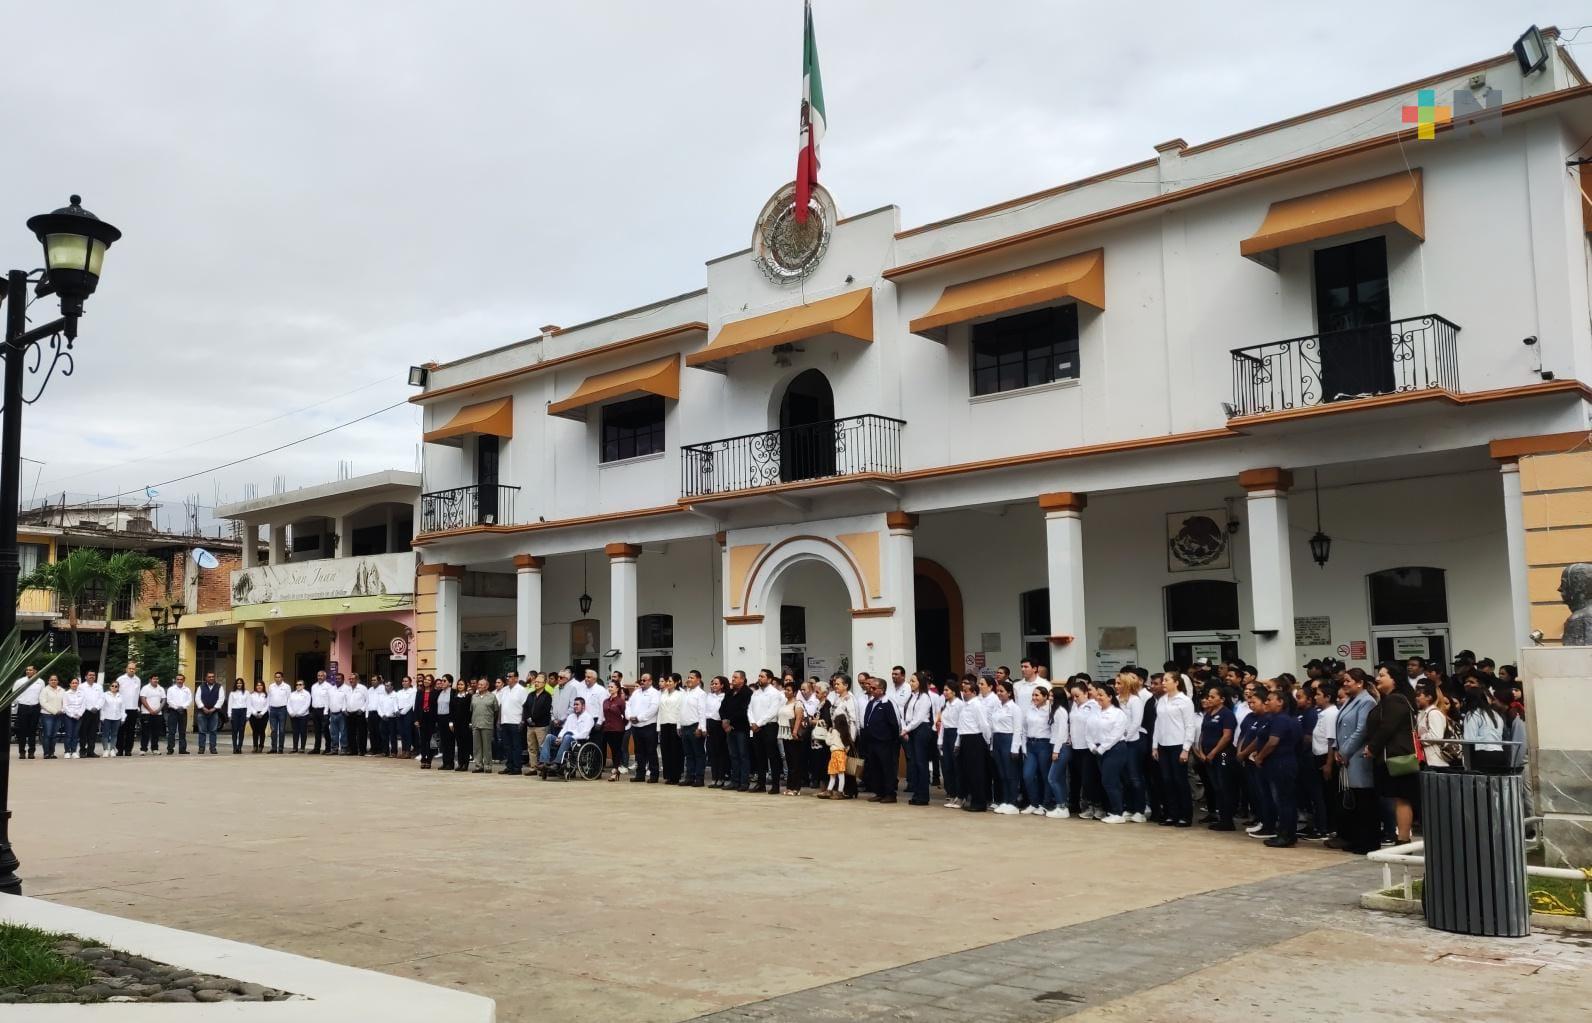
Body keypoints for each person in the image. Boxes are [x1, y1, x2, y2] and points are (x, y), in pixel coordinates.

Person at [1366, 664, 1418, 845]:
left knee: (1402, 798)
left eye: (1382, 675)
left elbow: (1387, 727)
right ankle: (1401, 837)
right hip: (1394, 756)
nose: (1377, 678)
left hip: (1398, 757)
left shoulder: (1396, 700)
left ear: (1394, 678)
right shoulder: (1390, 699)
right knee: (1398, 798)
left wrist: (1372, 747)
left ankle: (1403, 839)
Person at [1332, 669, 1380, 854]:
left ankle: (1368, 841)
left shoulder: (1366, 701)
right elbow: (1340, 728)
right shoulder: (1351, 700)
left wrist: (1344, 751)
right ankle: (1356, 838)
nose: (1345, 684)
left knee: (1364, 800)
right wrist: (1337, 749)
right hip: (1347, 755)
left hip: (1358, 756)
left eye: (1348, 681)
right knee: (1354, 801)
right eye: (1344, 681)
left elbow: (1361, 730)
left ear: (1359, 683)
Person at [1253, 687, 1301, 847]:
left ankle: (1285, 835)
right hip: (1280, 763)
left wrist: (1260, 756)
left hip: (1280, 763)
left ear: (1280, 702)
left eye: (1269, 700)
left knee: (1283, 800)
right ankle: (1288, 833)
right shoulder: (1277, 718)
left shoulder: (1281, 719)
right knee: (1285, 800)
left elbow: (1273, 742)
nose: (1266, 702)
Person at [1151, 671, 1197, 828]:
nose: (1163, 683)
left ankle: (1185, 815)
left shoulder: (1184, 701)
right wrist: (1155, 745)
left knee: (1179, 781)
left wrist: (1186, 748)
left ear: (1176, 682)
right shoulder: (1162, 700)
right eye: (1163, 680)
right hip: (1163, 745)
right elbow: (1158, 724)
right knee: (1167, 781)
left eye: (1166, 680)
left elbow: (1190, 726)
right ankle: (1172, 814)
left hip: (1178, 745)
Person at [1194, 684, 1237, 831]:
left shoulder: (1227, 714)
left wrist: (1213, 752)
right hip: (1207, 756)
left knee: (1224, 786)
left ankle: (1227, 820)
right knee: (1216, 787)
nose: (1209, 699)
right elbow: (1203, 734)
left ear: (1222, 699)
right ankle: (1221, 817)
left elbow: (1227, 736)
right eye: (1208, 697)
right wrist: (1201, 751)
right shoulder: (1209, 713)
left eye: (1213, 697)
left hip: (1223, 754)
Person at [1088, 682, 1130, 824]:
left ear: (1110, 697)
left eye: (1101, 695)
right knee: (1108, 782)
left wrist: (1102, 748)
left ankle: (1118, 812)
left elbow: (1115, 735)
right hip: (1099, 750)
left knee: (1110, 781)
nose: (1098, 697)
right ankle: (1113, 810)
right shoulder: (1096, 712)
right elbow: (1089, 730)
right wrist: (1092, 745)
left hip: (1115, 749)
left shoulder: (1118, 713)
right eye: (1097, 695)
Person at [861, 676, 901, 804]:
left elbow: (895, 723)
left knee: (887, 768)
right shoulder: (871, 702)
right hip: (871, 741)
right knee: (875, 768)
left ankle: (890, 794)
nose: (870, 689)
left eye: (873, 688)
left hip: (884, 742)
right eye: (870, 687)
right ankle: (879, 792)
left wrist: (891, 739)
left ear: (882, 689)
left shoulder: (888, 703)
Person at [954, 676, 992, 812]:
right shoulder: (965, 705)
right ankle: (973, 799)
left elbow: (984, 724)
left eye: (966, 691)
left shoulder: (977, 705)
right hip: (965, 738)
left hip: (975, 739)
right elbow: (962, 725)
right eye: (963, 691)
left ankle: (979, 802)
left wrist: (986, 741)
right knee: (968, 771)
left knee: (976, 772)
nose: (964, 693)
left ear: (974, 692)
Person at [1016, 681, 1052, 815]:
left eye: (1037, 695)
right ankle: (1033, 803)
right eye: (1033, 695)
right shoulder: (1029, 709)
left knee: (1045, 776)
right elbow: (1024, 729)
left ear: (1045, 696)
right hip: (1030, 745)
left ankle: (1045, 804)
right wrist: (1024, 747)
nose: (1034, 697)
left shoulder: (1049, 710)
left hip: (1044, 744)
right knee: (1028, 775)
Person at [900, 673, 934, 805]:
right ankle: (917, 793)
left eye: (913, 681)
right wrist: (906, 728)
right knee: (914, 762)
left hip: (921, 729)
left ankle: (923, 795)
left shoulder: (924, 697)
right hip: (912, 729)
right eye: (910, 681)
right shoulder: (912, 696)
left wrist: (906, 729)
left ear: (920, 682)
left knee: (921, 763)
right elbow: (906, 714)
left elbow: (919, 718)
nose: (910, 683)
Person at [538, 698, 593, 777]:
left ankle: (557, 764)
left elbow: (584, 734)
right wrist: (560, 737)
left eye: (577, 704)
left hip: (578, 742)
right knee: (549, 737)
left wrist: (567, 738)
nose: (575, 706)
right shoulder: (571, 717)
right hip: (565, 739)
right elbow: (564, 729)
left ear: (583, 706)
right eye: (574, 704)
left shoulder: (588, 717)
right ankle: (544, 763)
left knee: (567, 737)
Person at [746, 669, 782, 793]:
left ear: (770, 679)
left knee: (772, 756)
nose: (759, 678)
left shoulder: (775, 693)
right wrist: (752, 722)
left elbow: (773, 711)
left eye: (762, 676)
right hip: (756, 728)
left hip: (769, 727)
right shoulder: (755, 693)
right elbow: (749, 709)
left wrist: (759, 723)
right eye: (759, 676)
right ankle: (761, 784)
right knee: (759, 756)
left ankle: (775, 785)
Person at [1066, 679, 1097, 817]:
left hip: (1087, 747)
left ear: (1086, 693)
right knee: (1076, 777)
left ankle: (1093, 805)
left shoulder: (1093, 705)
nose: (1075, 699)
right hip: (1075, 746)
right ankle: (1079, 805)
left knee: (1088, 778)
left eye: (1077, 696)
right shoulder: (1074, 705)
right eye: (1073, 696)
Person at [814, 696, 852, 799]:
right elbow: (847, 746)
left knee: (833, 774)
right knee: (841, 774)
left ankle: (831, 790)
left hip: (834, 754)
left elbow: (828, 742)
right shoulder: (845, 734)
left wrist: (829, 733)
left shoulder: (834, 731)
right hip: (842, 754)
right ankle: (839, 791)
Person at [777, 678, 807, 796]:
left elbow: (799, 717)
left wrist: (795, 731)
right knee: (789, 761)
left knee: (795, 762)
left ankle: (796, 788)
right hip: (784, 734)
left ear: (794, 692)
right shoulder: (785, 703)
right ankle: (789, 786)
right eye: (785, 689)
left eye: (789, 690)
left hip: (793, 734)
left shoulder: (797, 703)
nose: (786, 692)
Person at [1415, 680, 1452, 771]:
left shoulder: (1434, 713)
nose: (1416, 698)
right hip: (1428, 761)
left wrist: (1418, 739)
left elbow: (1436, 736)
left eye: (1419, 695)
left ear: (1429, 697)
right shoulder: (1422, 713)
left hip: (1436, 762)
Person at [680, 670, 708, 787]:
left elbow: (702, 712)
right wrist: (679, 726)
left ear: (698, 680)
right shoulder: (685, 693)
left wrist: (701, 727)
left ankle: (699, 778)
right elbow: (681, 710)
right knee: (688, 754)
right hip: (685, 726)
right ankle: (689, 777)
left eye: (692, 677)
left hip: (695, 726)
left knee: (698, 754)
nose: (689, 679)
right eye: (688, 677)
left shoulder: (701, 694)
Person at [938, 679, 963, 809]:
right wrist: (940, 740)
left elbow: (961, 724)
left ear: (954, 691)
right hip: (946, 735)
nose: (945, 692)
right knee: (947, 767)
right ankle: (952, 795)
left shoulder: (959, 704)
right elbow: (943, 724)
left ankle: (960, 796)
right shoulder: (946, 705)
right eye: (944, 690)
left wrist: (958, 742)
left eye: (947, 690)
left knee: (957, 767)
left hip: (956, 734)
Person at [658, 674, 685, 785]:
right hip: (664, 723)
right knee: (665, 750)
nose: (668, 683)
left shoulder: (680, 694)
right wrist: (658, 727)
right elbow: (660, 710)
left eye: (670, 681)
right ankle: (668, 775)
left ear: (677, 682)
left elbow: (681, 711)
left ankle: (676, 776)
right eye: (667, 681)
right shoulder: (663, 693)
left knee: (675, 751)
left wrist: (679, 725)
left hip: (675, 724)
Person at [11, 666, 42, 759]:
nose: (28, 671)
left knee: (33, 731)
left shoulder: (40, 682)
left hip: (35, 708)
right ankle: (22, 752)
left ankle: (31, 752)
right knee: (22, 731)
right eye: (27, 670)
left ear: (35, 671)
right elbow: (14, 693)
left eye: (30, 670)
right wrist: (20, 701)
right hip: (23, 708)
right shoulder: (20, 681)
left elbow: (42, 695)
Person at [599, 681, 627, 780]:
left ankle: (615, 770)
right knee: (611, 750)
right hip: (607, 729)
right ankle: (615, 769)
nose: (610, 688)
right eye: (609, 686)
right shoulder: (605, 701)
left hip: (618, 729)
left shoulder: (620, 701)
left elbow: (626, 716)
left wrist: (621, 725)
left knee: (616, 750)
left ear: (617, 688)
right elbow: (603, 714)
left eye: (612, 687)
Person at [469, 678, 498, 773]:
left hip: (487, 724)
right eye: (479, 684)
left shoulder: (492, 696)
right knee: (476, 747)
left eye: (482, 684)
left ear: (487, 686)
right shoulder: (474, 697)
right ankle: (478, 766)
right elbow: (471, 710)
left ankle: (488, 766)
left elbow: (496, 711)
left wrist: (491, 720)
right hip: (476, 724)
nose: (479, 686)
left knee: (487, 747)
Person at [704, 675, 729, 787]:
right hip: (710, 723)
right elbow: (705, 711)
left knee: (721, 752)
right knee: (712, 752)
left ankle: (721, 777)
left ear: (722, 685)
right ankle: (714, 777)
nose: (713, 685)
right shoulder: (709, 696)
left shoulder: (725, 696)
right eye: (712, 684)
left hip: (720, 724)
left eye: (716, 684)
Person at [526, 675, 554, 769]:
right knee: (531, 747)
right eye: (535, 682)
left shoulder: (547, 696)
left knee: (542, 747)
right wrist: (528, 718)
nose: (536, 683)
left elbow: (545, 711)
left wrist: (533, 719)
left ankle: (543, 768)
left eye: (539, 682)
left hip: (541, 726)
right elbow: (526, 707)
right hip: (530, 726)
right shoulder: (531, 695)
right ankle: (533, 767)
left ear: (544, 683)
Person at [115, 661, 141, 758]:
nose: (131, 670)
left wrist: (137, 706)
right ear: (126, 669)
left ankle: (128, 750)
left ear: (135, 670)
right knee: (120, 730)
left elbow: (137, 694)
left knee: (131, 731)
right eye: (130, 668)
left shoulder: (138, 680)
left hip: (133, 708)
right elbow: (116, 692)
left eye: (133, 669)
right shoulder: (120, 679)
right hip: (122, 708)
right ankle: (120, 750)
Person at [416, 675, 442, 769]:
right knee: (423, 740)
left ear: (432, 682)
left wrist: (437, 720)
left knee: (431, 741)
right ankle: (423, 759)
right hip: (422, 717)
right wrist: (416, 719)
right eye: (425, 679)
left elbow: (437, 707)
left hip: (431, 718)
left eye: (429, 680)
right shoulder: (420, 692)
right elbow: (416, 706)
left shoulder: (435, 692)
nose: (426, 681)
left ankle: (429, 760)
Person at [196, 673, 223, 755]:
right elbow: (197, 699)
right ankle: (201, 748)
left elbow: (221, 699)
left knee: (213, 731)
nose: (211, 678)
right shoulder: (201, 687)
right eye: (209, 677)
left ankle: (213, 748)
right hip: (202, 712)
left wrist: (213, 709)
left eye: (213, 677)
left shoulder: (219, 687)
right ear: (206, 678)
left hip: (214, 712)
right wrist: (203, 708)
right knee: (202, 731)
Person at [448, 675, 472, 771]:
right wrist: (451, 722)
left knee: (465, 744)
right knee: (459, 744)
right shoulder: (455, 696)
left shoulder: (468, 696)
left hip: (465, 723)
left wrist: (470, 722)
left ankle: (465, 764)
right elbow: (451, 710)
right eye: (458, 684)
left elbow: (470, 711)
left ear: (465, 686)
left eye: (462, 684)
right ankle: (460, 763)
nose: (460, 686)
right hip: (456, 723)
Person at [138, 673, 166, 755]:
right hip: (146, 713)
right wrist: (150, 710)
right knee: (145, 732)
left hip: (158, 714)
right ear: (150, 680)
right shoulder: (145, 688)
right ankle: (143, 749)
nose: (156, 680)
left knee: (156, 732)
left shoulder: (161, 689)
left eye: (157, 679)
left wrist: (159, 709)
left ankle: (155, 749)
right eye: (154, 679)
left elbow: (164, 700)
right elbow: (143, 699)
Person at [165, 674, 191, 755]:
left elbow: (189, 700)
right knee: (171, 731)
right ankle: (170, 749)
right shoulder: (171, 689)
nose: (179, 681)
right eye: (178, 679)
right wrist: (176, 708)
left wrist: (183, 707)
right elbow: (169, 700)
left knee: (182, 731)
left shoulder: (187, 690)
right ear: (176, 680)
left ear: (184, 680)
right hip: (173, 711)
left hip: (183, 711)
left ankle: (182, 749)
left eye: (181, 679)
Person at [266, 673, 291, 755]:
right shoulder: (271, 686)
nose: (277, 678)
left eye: (279, 677)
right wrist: (268, 709)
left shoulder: (286, 686)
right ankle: (273, 748)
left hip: (282, 709)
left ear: (282, 678)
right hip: (273, 709)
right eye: (276, 677)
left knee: (281, 730)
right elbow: (269, 697)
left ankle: (280, 748)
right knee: (273, 730)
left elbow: (289, 699)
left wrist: (288, 709)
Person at [79, 670, 102, 758]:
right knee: (83, 732)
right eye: (90, 675)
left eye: (93, 675)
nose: (92, 676)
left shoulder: (98, 686)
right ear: (86, 677)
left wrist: (96, 707)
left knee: (93, 733)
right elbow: (81, 699)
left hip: (95, 712)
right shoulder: (81, 687)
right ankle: (82, 751)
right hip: (85, 712)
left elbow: (101, 698)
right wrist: (89, 708)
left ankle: (91, 751)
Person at [100, 680, 126, 756]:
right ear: (110, 687)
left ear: (118, 688)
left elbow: (122, 708)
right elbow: (102, 707)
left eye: (116, 686)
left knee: (114, 734)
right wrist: (102, 717)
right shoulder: (105, 695)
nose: (114, 687)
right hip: (107, 717)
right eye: (112, 686)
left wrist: (123, 718)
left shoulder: (121, 696)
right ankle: (105, 750)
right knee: (105, 734)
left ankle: (112, 749)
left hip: (117, 718)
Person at [309, 670, 332, 754]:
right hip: (315, 710)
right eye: (318, 675)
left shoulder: (328, 686)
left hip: (324, 710)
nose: (320, 677)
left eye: (321, 676)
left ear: (325, 677)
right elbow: (313, 698)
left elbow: (329, 700)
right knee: (317, 730)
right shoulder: (314, 686)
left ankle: (328, 748)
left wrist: (326, 711)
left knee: (326, 730)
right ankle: (316, 748)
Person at [62, 677, 84, 759]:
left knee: (75, 734)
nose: (74, 684)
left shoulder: (82, 693)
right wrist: (72, 715)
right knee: (69, 734)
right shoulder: (66, 693)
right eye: (73, 683)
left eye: (76, 683)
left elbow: (83, 705)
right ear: (70, 684)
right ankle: (67, 752)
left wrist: (79, 714)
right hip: (68, 716)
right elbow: (65, 706)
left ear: (78, 684)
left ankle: (74, 751)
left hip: (79, 716)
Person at [345, 676, 367, 755]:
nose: (351, 680)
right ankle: (353, 750)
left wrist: (362, 709)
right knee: (350, 733)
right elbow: (345, 700)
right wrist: (344, 709)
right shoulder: (348, 689)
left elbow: (367, 700)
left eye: (353, 679)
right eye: (350, 679)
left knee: (361, 733)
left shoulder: (362, 688)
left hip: (359, 713)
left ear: (357, 680)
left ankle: (362, 750)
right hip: (349, 713)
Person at [287, 680, 312, 752]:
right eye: (297, 684)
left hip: (303, 716)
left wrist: (299, 713)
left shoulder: (306, 694)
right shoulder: (292, 694)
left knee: (303, 731)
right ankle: (295, 748)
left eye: (300, 684)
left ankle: (302, 748)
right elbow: (288, 704)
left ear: (303, 686)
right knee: (295, 732)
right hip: (293, 716)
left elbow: (307, 704)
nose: (298, 686)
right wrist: (291, 712)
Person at [328, 676, 350, 756]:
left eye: (339, 679)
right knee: (333, 733)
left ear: (343, 680)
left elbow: (348, 700)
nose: (337, 680)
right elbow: (329, 700)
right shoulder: (331, 689)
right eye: (336, 679)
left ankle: (344, 748)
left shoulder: (347, 689)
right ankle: (334, 749)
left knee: (343, 732)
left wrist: (344, 709)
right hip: (333, 713)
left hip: (342, 714)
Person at [246, 681, 269, 753]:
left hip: (263, 715)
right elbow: (249, 705)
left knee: (262, 731)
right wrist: (255, 713)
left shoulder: (266, 695)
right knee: (255, 731)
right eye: (258, 685)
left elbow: (267, 705)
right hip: (253, 715)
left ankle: (261, 746)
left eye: (261, 685)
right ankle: (255, 746)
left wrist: (262, 713)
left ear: (263, 686)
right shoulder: (252, 695)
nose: (259, 687)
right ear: (255, 686)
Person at [227, 679, 249, 754]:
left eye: (240, 683)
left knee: (241, 730)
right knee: (234, 730)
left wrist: (248, 715)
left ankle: (239, 747)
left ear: (243, 684)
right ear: (236, 684)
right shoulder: (232, 693)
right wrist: (229, 714)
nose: (239, 684)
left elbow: (248, 704)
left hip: (243, 712)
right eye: (238, 683)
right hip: (234, 712)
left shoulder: (246, 693)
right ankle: (235, 747)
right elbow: (230, 704)